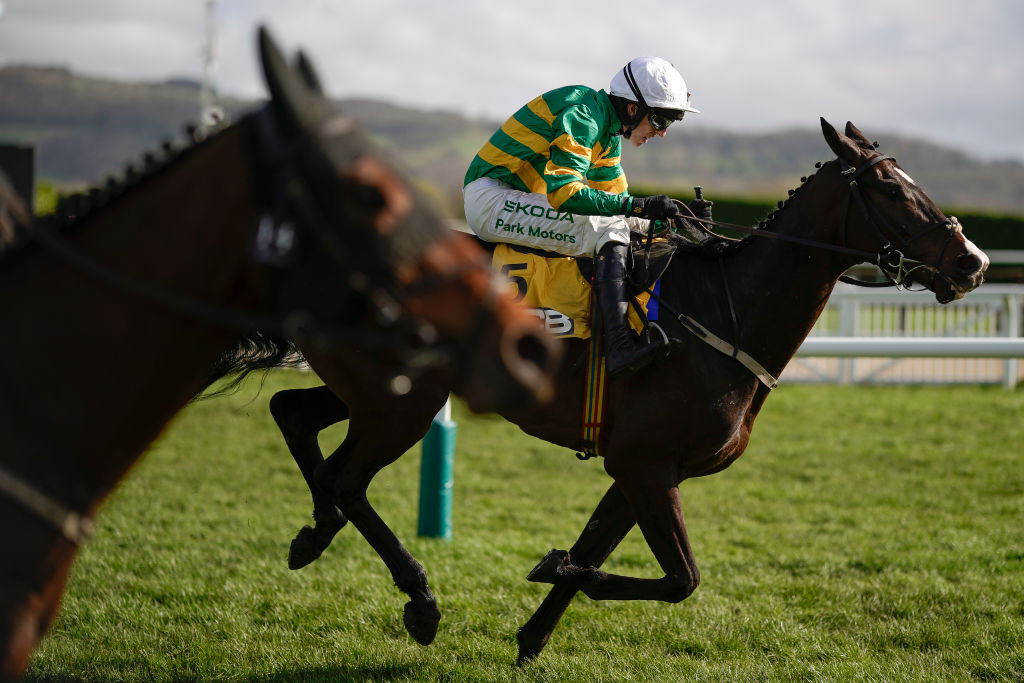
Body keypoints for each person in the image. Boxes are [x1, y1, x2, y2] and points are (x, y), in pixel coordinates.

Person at [463, 56, 712, 379]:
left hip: (518, 199)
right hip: (490, 198)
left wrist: (675, 221)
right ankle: (620, 347)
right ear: (633, 108)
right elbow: (566, 193)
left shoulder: (607, 134)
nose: (662, 133)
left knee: (617, 223)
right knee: (607, 227)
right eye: (661, 120)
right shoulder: (583, 113)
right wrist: (638, 206)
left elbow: (619, 205)